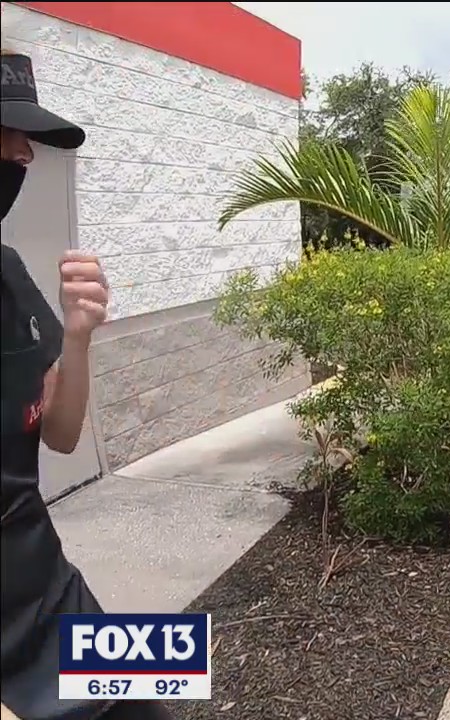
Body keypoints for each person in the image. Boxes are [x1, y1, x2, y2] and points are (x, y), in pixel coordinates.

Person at [1, 49, 172, 720]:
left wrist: (78, 336)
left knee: (165, 689)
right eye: (7, 132)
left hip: (51, 591)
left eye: (29, 139)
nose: (24, 155)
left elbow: (63, 436)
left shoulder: (9, 272)